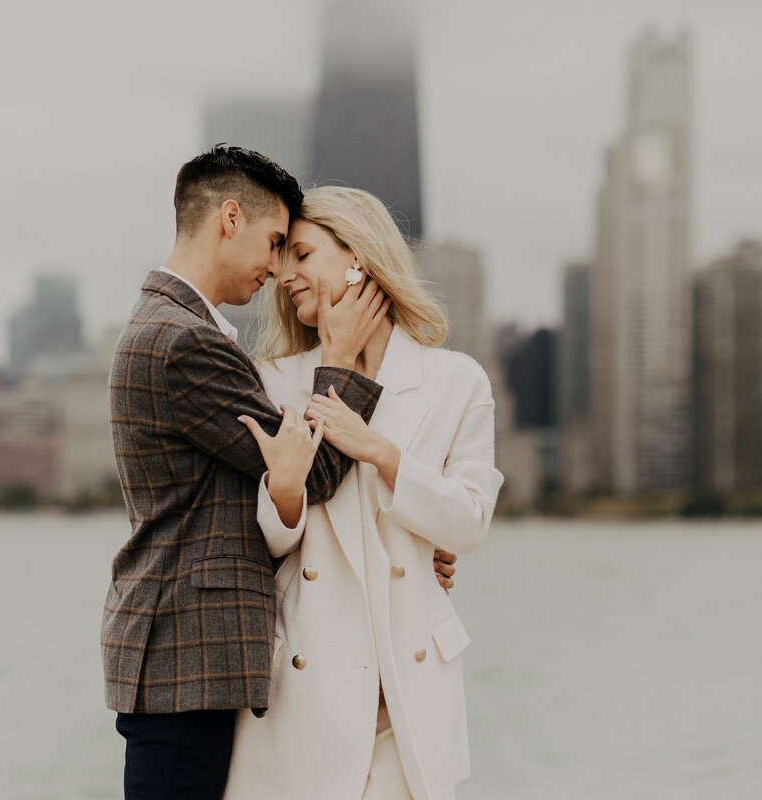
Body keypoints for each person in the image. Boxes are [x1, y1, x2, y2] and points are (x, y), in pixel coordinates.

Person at [102, 146, 455, 799]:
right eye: (273, 243)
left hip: (188, 658)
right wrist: (343, 356)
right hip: (189, 658)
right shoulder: (185, 342)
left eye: (294, 252)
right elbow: (314, 474)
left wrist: (402, 548)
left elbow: (270, 490)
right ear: (227, 219)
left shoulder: (178, 327)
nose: (275, 267)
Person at [226, 186, 505, 799]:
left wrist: (377, 450)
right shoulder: (272, 379)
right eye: (281, 259)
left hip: (409, 699)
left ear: (358, 258)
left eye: (301, 254)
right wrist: (289, 483)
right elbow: (269, 535)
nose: (283, 275)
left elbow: (467, 523)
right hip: (309, 690)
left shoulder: (457, 381)